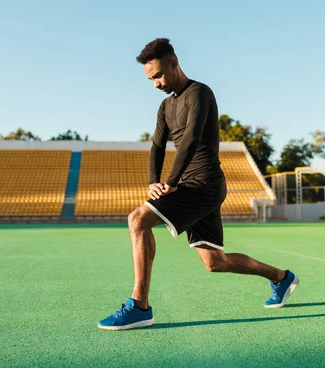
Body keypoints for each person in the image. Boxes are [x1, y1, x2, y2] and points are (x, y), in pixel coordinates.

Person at [98, 38, 298, 331]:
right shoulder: (166, 106)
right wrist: (153, 182)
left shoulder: (200, 92)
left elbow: (190, 139)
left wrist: (169, 183)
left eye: (157, 76)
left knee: (137, 219)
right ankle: (281, 278)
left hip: (204, 182)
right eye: (150, 79)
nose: (155, 84)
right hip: (193, 186)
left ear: (174, 63)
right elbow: (156, 147)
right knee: (215, 262)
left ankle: (140, 306)